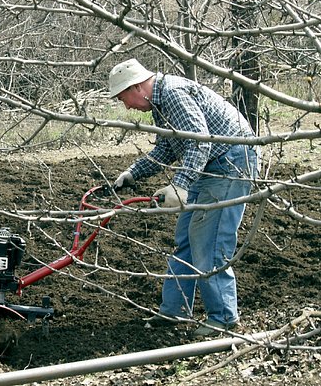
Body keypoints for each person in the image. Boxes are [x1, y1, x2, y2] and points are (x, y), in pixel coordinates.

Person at [108, 59, 257, 337]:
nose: (126, 106)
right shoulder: (160, 105)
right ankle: (173, 311)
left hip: (231, 164)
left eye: (123, 98)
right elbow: (167, 149)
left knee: (210, 243)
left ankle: (224, 318)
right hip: (209, 166)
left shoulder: (174, 93)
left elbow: (200, 141)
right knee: (185, 242)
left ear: (138, 87)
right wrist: (133, 173)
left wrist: (180, 186)